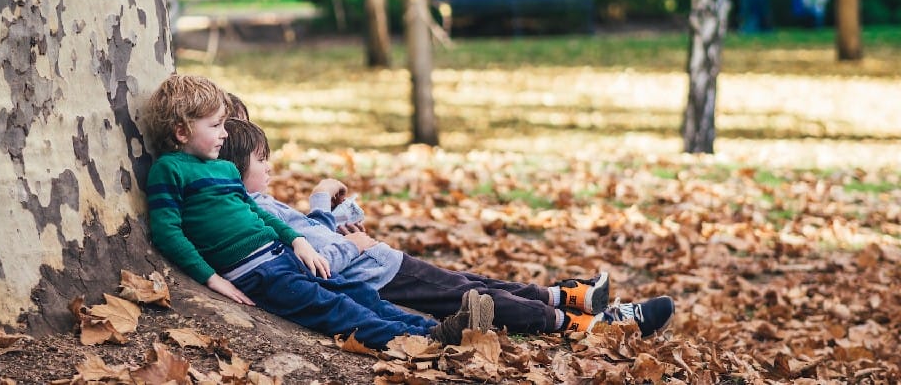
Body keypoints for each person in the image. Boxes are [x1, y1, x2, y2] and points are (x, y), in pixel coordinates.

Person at [218, 117, 677, 338]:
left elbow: (316, 239)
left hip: (381, 262)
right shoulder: (252, 211)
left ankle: (569, 295)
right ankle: (589, 325)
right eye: (263, 161)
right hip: (377, 275)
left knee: (474, 282)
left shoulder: (256, 202)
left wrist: (338, 221)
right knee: (474, 298)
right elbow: (318, 258)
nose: (271, 168)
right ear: (236, 168)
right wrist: (340, 228)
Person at [142, 74, 494, 349]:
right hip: (257, 273)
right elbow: (168, 233)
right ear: (181, 130)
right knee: (334, 309)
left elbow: (260, 215)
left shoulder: (224, 169)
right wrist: (211, 278)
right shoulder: (170, 170)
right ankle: (417, 341)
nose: (224, 134)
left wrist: (298, 242)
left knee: (357, 294)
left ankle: (436, 329)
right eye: (215, 125)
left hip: (283, 255)